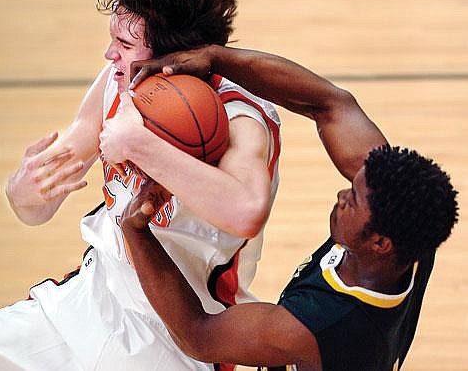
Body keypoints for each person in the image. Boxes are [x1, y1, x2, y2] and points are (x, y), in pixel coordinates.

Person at [0, 0, 280, 371]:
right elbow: (38, 206)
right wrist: (22, 193)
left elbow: (245, 211)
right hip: (90, 299)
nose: (109, 53)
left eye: (125, 45)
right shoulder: (116, 82)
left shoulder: (241, 116)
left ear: (171, 56)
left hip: (179, 334)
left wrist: (140, 145)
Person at [118, 45, 459, 371]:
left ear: (380, 243)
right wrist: (214, 57)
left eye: (353, 201)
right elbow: (329, 103)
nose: (342, 195)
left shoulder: (320, 325)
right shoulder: (408, 233)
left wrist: (136, 231)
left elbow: (199, 333)